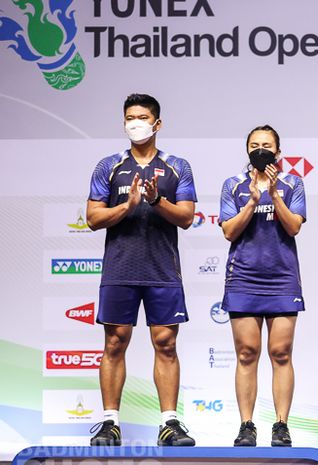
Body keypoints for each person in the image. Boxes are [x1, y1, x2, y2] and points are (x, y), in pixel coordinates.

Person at [86, 93, 197, 446]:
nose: (136, 123)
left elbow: (187, 217)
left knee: (165, 344)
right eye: (130, 117)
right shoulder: (109, 166)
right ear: (124, 122)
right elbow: (92, 218)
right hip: (119, 269)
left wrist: (155, 200)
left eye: (143, 117)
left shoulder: (178, 166)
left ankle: (169, 423)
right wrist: (127, 205)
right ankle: (109, 422)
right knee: (115, 343)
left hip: (163, 270)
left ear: (157, 123)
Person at [219, 125, 306, 447]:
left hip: (282, 278)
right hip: (243, 278)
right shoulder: (234, 185)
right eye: (254, 145)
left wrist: (273, 195)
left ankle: (281, 425)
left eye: (267, 145)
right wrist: (252, 201)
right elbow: (229, 231)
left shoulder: (293, 183)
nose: (260, 150)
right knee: (246, 353)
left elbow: (294, 226)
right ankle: (246, 425)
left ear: (278, 152)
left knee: (281, 353)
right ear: (247, 151)